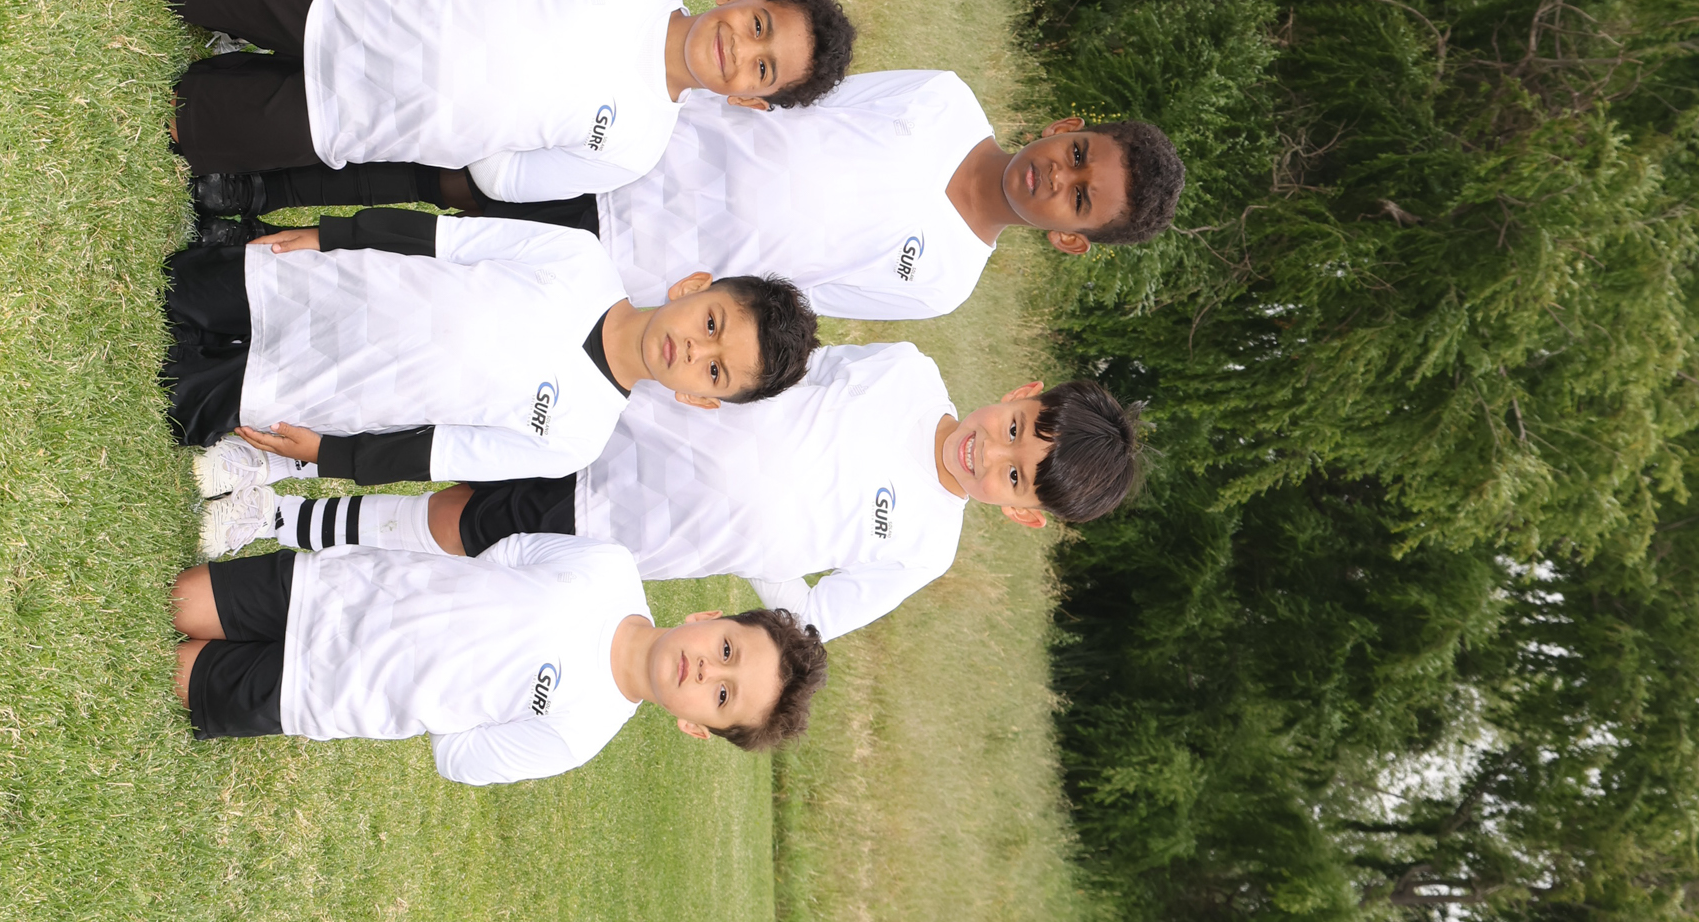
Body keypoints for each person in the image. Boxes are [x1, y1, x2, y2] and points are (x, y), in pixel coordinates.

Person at [219, 354, 1140, 645]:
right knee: (463, 428)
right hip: (636, 417)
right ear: (1020, 394)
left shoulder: (925, 548)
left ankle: (284, 519)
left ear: (1022, 512)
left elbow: (810, 620)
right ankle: (288, 454)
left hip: (634, 521)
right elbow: (789, 367)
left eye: (1013, 475)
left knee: (461, 520)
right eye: (1016, 429)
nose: (993, 453)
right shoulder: (906, 373)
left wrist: (766, 540)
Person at [187, 85, 1188, 319]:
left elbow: (796, 299)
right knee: (449, 170)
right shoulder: (942, 103)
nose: (1055, 177)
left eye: (1078, 200)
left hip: (644, 258)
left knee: (447, 253)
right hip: (654, 137)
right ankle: (262, 184)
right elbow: (801, 95)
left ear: (1071, 240)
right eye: (1077, 155)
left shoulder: (943, 284)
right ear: (1068, 125)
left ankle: (266, 267)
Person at [164, 0, 855, 198]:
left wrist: (461, 121)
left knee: (180, 121)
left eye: (763, 71)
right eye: (759, 26)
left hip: (355, 119)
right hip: (355, 2)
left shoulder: (635, 148)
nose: (742, 51)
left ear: (752, 101)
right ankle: (236, 28)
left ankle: (232, 72)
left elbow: (505, 182)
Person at [162, 209, 820, 483]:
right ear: (695, 287)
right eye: (712, 324)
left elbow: (436, 452)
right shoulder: (580, 257)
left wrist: (329, 454)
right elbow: (441, 238)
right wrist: (330, 235)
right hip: (310, 287)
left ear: (700, 399)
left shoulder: (579, 439)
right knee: (171, 287)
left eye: (715, 372)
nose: (696, 350)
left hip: (320, 388)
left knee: (171, 396)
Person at [170, 531, 828, 776]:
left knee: (167, 674)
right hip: (337, 589)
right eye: (726, 649)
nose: (708, 670)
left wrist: (437, 679)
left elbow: (458, 757)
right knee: (180, 601)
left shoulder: (577, 734)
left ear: (695, 726)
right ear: (708, 617)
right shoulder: (611, 567)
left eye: (721, 695)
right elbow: (512, 554)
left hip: (324, 691)